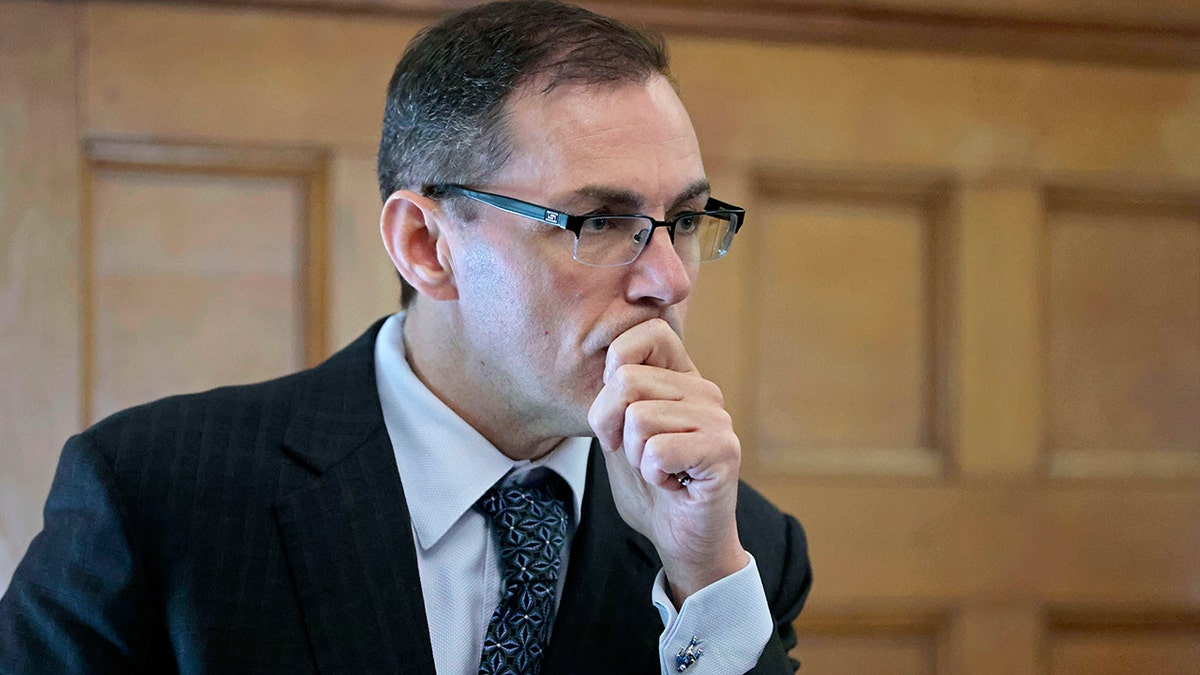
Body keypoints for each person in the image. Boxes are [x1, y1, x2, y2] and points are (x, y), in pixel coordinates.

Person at [0, 1, 812, 673]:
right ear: (427, 246)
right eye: (599, 221)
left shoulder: (739, 552)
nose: (669, 279)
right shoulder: (154, 496)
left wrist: (704, 578)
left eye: (683, 221)